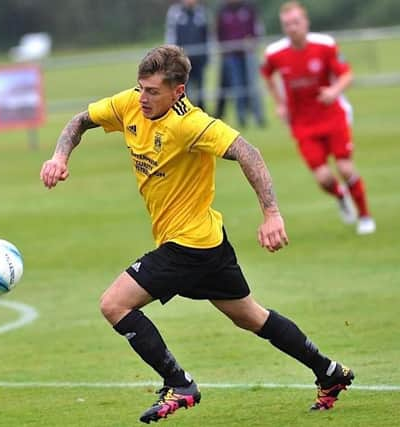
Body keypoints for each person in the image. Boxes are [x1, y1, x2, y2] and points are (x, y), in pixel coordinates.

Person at [41, 45, 354, 423]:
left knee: (114, 304)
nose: (143, 98)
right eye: (141, 88)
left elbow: (248, 152)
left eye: (153, 91)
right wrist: (60, 157)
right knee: (252, 317)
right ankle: (329, 372)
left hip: (188, 246)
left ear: (180, 91)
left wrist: (271, 213)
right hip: (209, 243)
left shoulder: (191, 124)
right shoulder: (130, 105)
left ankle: (179, 383)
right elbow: (79, 121)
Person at [261, 1, 375, 235]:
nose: (292, 28)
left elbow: (347, 75)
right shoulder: (275, 53)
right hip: (302, 123)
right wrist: (280, 104)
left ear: (306, 22)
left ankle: (364, 216)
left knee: (344, 168)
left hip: (332, 116)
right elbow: (267, 75)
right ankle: (341, 196)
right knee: (324, 179)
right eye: (287, 24)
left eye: (296, 22)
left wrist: (334, 92)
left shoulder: (325, 45)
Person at [215, 0, 265, 128]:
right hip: (231, 56)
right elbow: (218, 33)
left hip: (249, 54)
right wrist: (224, 50)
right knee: (237, 87)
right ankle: (241, 118)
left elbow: (257, 29)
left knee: (253, 86)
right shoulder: (222, 11)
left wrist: (253, 41)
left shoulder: (249, 8)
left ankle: (259, 117)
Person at [165, 0, 210, 110]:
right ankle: (184, 113)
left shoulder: (202, 13)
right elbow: (170, 36)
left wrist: (208, 55)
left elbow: (208, 36)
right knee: (183, 89)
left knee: (200, 89)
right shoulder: (174, 13)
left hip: (199, 60)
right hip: (182, 61)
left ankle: (201, 115)